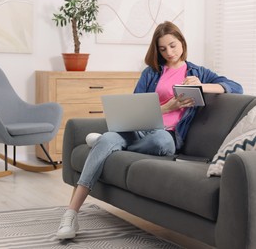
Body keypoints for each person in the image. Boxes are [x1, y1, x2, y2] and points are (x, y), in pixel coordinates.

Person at [56, 21, 243, 239]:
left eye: (173, 46)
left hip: (166, 134)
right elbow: (134, 108)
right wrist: (167, 106)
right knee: (112, 139)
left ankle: (105, 143)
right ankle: (70, 214)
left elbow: (236, 87)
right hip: (138, 129)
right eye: (163, 49)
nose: (169, 52)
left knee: (161, 142)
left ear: (182, 42)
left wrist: (201, 86)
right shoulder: (152, 73)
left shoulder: (197, 72)